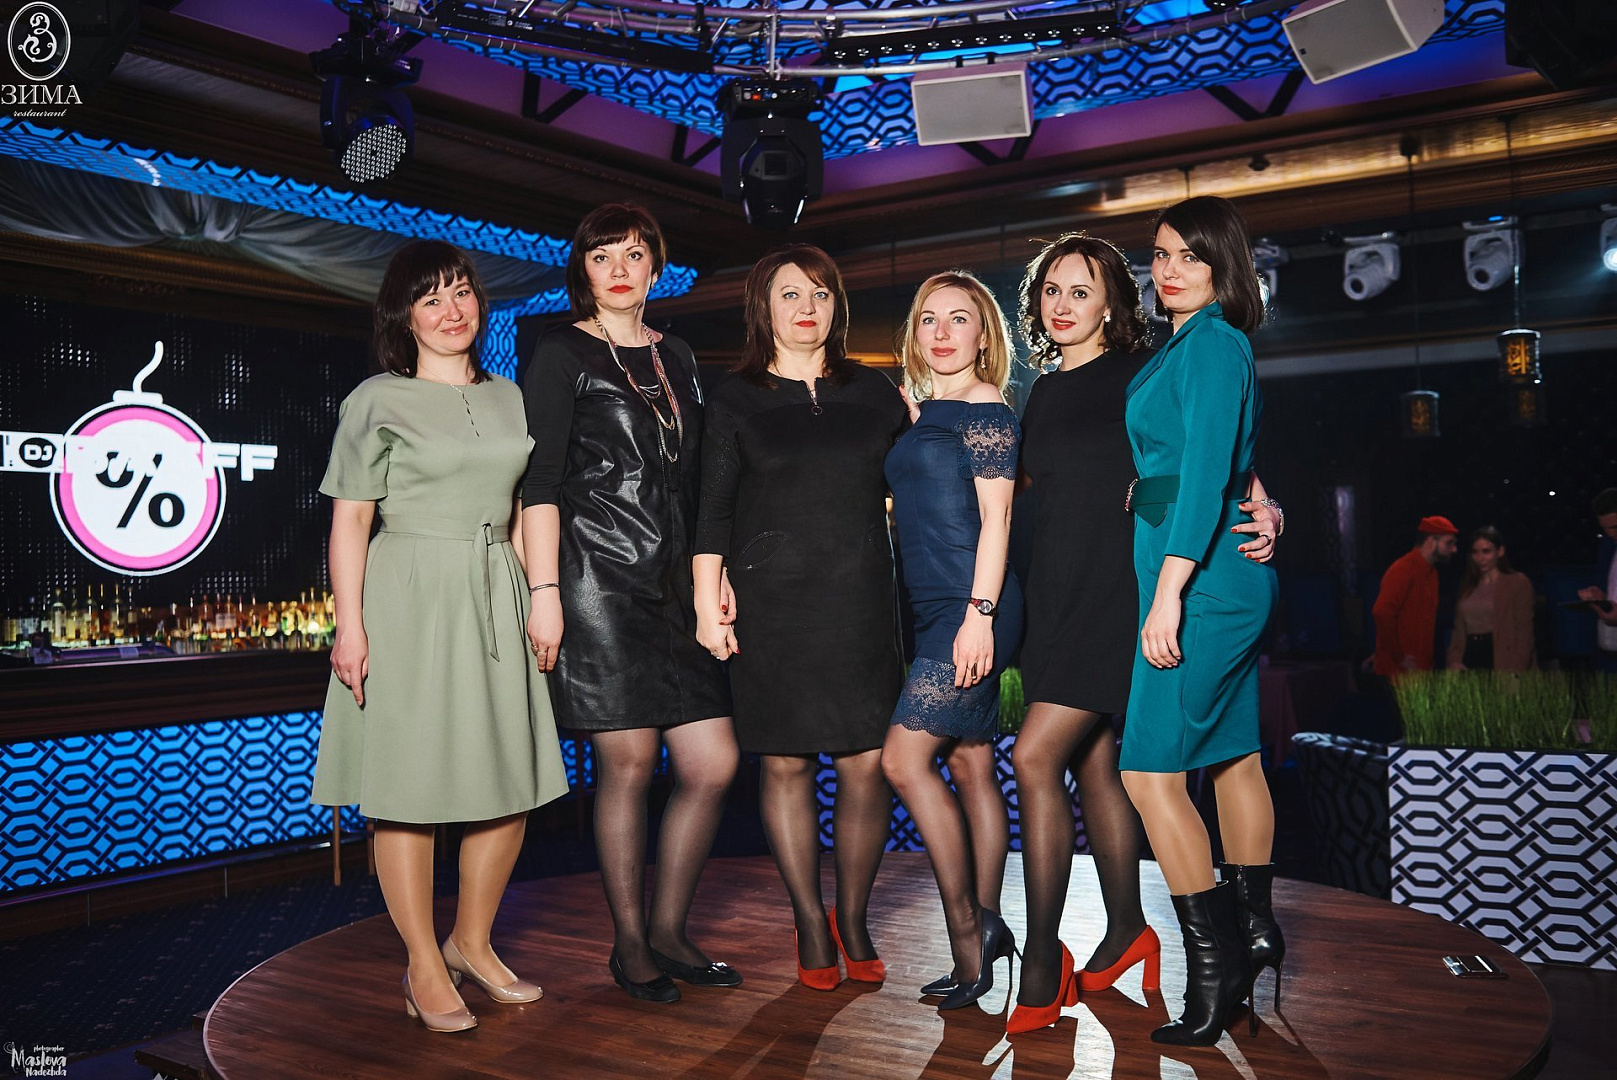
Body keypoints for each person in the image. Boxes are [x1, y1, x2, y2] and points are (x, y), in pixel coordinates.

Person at [1006, 233, 1283, 1035]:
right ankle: (1129, 929)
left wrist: (1266, 506)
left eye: (1080, 290)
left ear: (1110, 304)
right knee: (1099, 761)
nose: (1062, 305)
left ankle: (1045, 963)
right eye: (1050, 290)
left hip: (1125, 589)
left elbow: (1210, 454)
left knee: (1042, 757)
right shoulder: (1040, 392)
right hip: (1056, 591)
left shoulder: (1147, 366)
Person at [314, 240, 569, 1033]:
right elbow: (350, 521)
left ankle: (472, 943)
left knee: (510, 780)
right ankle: (423, 964)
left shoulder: (510, 397)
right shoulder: (375, 400)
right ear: (405, 317)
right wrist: (349, 626)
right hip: (409, 594)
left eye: (461, 292)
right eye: (431, 299)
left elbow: (525, 506)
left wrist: (540, 596)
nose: (451, 310)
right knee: (408, 791)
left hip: (496, 587)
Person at [522, 204, 739, 1004]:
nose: (618, 269)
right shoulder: (559, 354)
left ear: (656, 267)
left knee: (712, 764)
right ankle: (630, 945)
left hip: (677, 585)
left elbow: (698, 478)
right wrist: (544, 593)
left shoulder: (675, 354)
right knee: (631, 763)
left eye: (634, 254)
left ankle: (670, 930)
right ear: (582, 270)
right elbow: (539, 485)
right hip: (597, 582)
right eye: (602, 255)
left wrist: (713, 578)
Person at [693, 245, 908, 990]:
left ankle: (852, 915)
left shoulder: (876, 393)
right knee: (784, 762)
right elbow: (712, 510)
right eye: (789, 294)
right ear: (763, 307)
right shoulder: (733, 398)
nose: (806, 307)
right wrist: (708, 598)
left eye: (819, 293)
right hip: (771, 607)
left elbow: (928, 478)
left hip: (860, 602)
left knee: (866, 763)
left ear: (836, 305)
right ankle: (809, 921)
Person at [1118, 196, 1280, 1047]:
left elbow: (1213, 464)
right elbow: (1210, 460)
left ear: (1224, 265)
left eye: (1189, 255)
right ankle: (1254, 930)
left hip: (1202, 582)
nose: (1169, 269)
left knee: (1148, 777)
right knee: (1233, 756)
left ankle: (1215, 972)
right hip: (1212, 570)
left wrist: (1169, 593)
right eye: (1160, 254)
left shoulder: (1214, 342)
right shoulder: (1190, 344)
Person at [880, 270, 1023, 1012]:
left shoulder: (985, 407)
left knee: (903, 761)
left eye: (958, 318)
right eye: (928, 318)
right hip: (932, 604)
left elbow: (998, 519)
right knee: (969, 762)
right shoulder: (921, 411)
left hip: (971, 605)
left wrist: (980, 615)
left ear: (983, 334)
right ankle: (981, 938)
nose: (941, 332)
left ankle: (970, 928)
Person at [1371, 516, 1459, 679]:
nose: (1454, 549)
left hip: (1419, 670)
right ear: (1431, 541)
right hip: (1399, 673)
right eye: (1449, 543)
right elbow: (1381, 613)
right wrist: (1398, 656)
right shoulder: (1404, 569)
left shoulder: (1432, 574)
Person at [1447, 526, 1535, 672]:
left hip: (1502, 659)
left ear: (1500, 552)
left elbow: (1524, 633)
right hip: (1469, 659)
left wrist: (1517, 669)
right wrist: (1454, 661)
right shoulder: (1468, 586)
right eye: (1475, 552)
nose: (1480, 558)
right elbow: (1458, 632)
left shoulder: (1517, 583)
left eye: (1486, 551)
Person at [1576, 488, 1617, 671]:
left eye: (1615, 527)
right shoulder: (1608, 546)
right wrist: (1601, 598)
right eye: (1605, 528)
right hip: (1607, 654)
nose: (1611, 534)